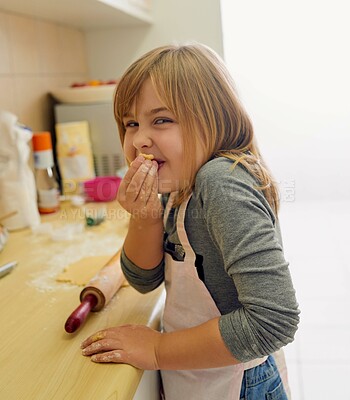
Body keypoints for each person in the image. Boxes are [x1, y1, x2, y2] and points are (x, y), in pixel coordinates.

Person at [81, 43, 300, 399]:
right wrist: (145, 216)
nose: (138, 140)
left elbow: (273, 321)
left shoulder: (221, 182)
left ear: (215, 117)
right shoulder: (182, 179)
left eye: (161, 120)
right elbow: (143, 279)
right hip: (201, 375)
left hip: (238, 384)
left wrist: (156, 350)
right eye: (130, 123)